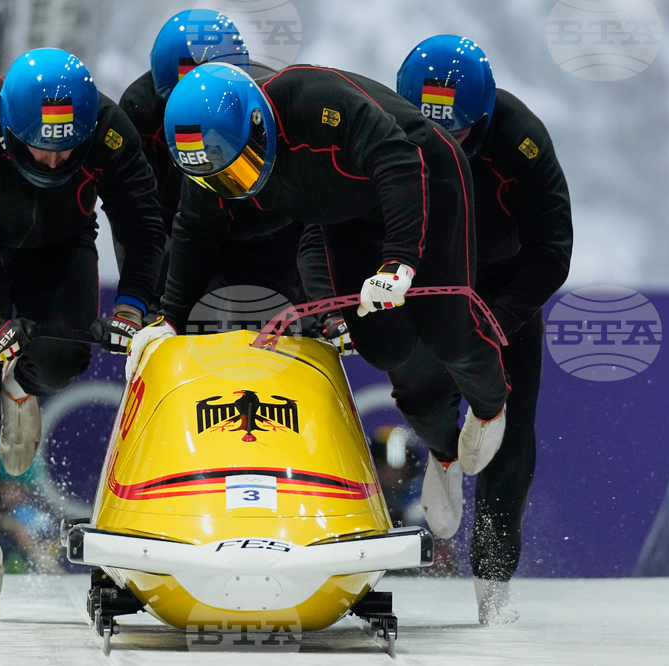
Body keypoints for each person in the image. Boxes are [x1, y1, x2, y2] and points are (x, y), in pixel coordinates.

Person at [125, 63, 510, 481]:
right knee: (386, 348)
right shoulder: (209, 163)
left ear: (259, 121)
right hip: (347, 213)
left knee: (447, 333)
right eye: (222, 178)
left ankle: (491, 405)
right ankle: (444, 454)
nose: (236, 185)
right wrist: (168, 319)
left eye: (241, 167)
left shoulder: (315, 100)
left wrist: (398, 261)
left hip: (424, 177)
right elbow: (195, 231)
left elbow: (397, 159)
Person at [0, 48, 165, 620]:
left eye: (65, 148)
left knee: (62, 357)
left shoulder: (107, 131)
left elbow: (143, 225)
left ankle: (21, 388)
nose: (54, 161)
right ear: (7, 130)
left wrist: (132, 305)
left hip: (58, 250)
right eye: (40, 145)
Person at [384, 35, 572, 624]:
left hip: (502, 282)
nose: (444, 147)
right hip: (427, 273)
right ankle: (442, 451)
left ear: (484, 120)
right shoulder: (385, 126)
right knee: (418, 383)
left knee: (510, 440)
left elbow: (552, 248)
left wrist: (500, 320)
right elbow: (340, 217)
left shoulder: (522, 141)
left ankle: (493, 587)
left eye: (458, 135)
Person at [117, 9, 304, 313]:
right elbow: (133, 213)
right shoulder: (139, 109)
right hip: (180, 231)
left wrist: (315, 302)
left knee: (270, 328)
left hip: (260, 229)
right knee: (167, 320)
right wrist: (140, 298)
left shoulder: (273, 99)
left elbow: (307, 197)